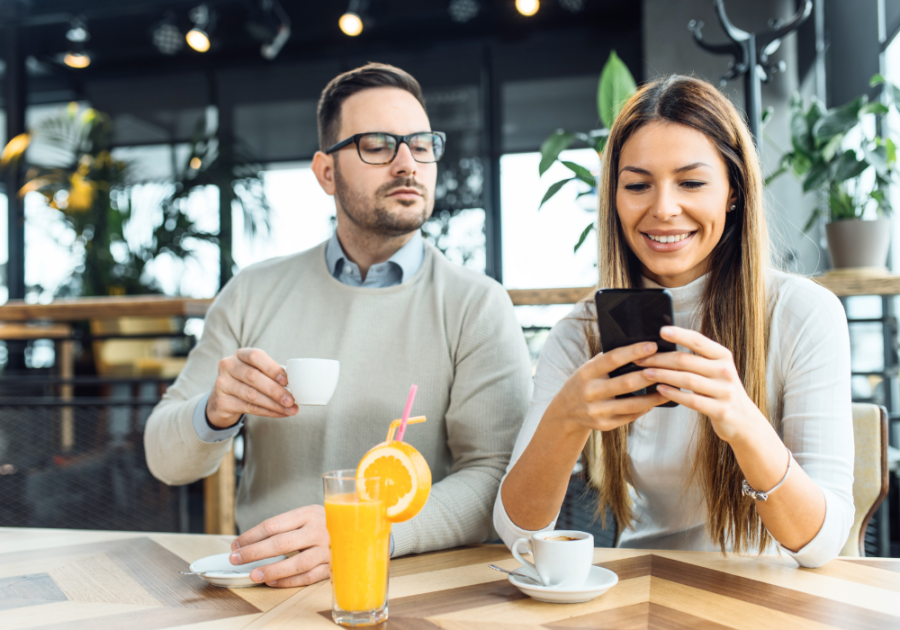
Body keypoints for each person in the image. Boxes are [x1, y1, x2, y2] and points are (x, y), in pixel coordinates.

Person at [145, 62, 532, 587]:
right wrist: (214, 411)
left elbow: (496, 480)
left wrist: (367, 530)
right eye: (377, 144)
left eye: (421, 145)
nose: (406, 163)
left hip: (409, 589)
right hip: (261, 588)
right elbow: (165, 459)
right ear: (326, 172)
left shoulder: (476, 304)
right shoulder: (251, 293)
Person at [494, 75, 854, 568]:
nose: (663, 209)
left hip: (772, 595)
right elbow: (516, 536)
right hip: (644, 589)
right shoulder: (581, 333)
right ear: (615, 199)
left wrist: (745, 424)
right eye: (638, 185)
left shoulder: (803, 315)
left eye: (691, 182)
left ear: (733, 192)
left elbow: (821, 544)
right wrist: (566, 418)